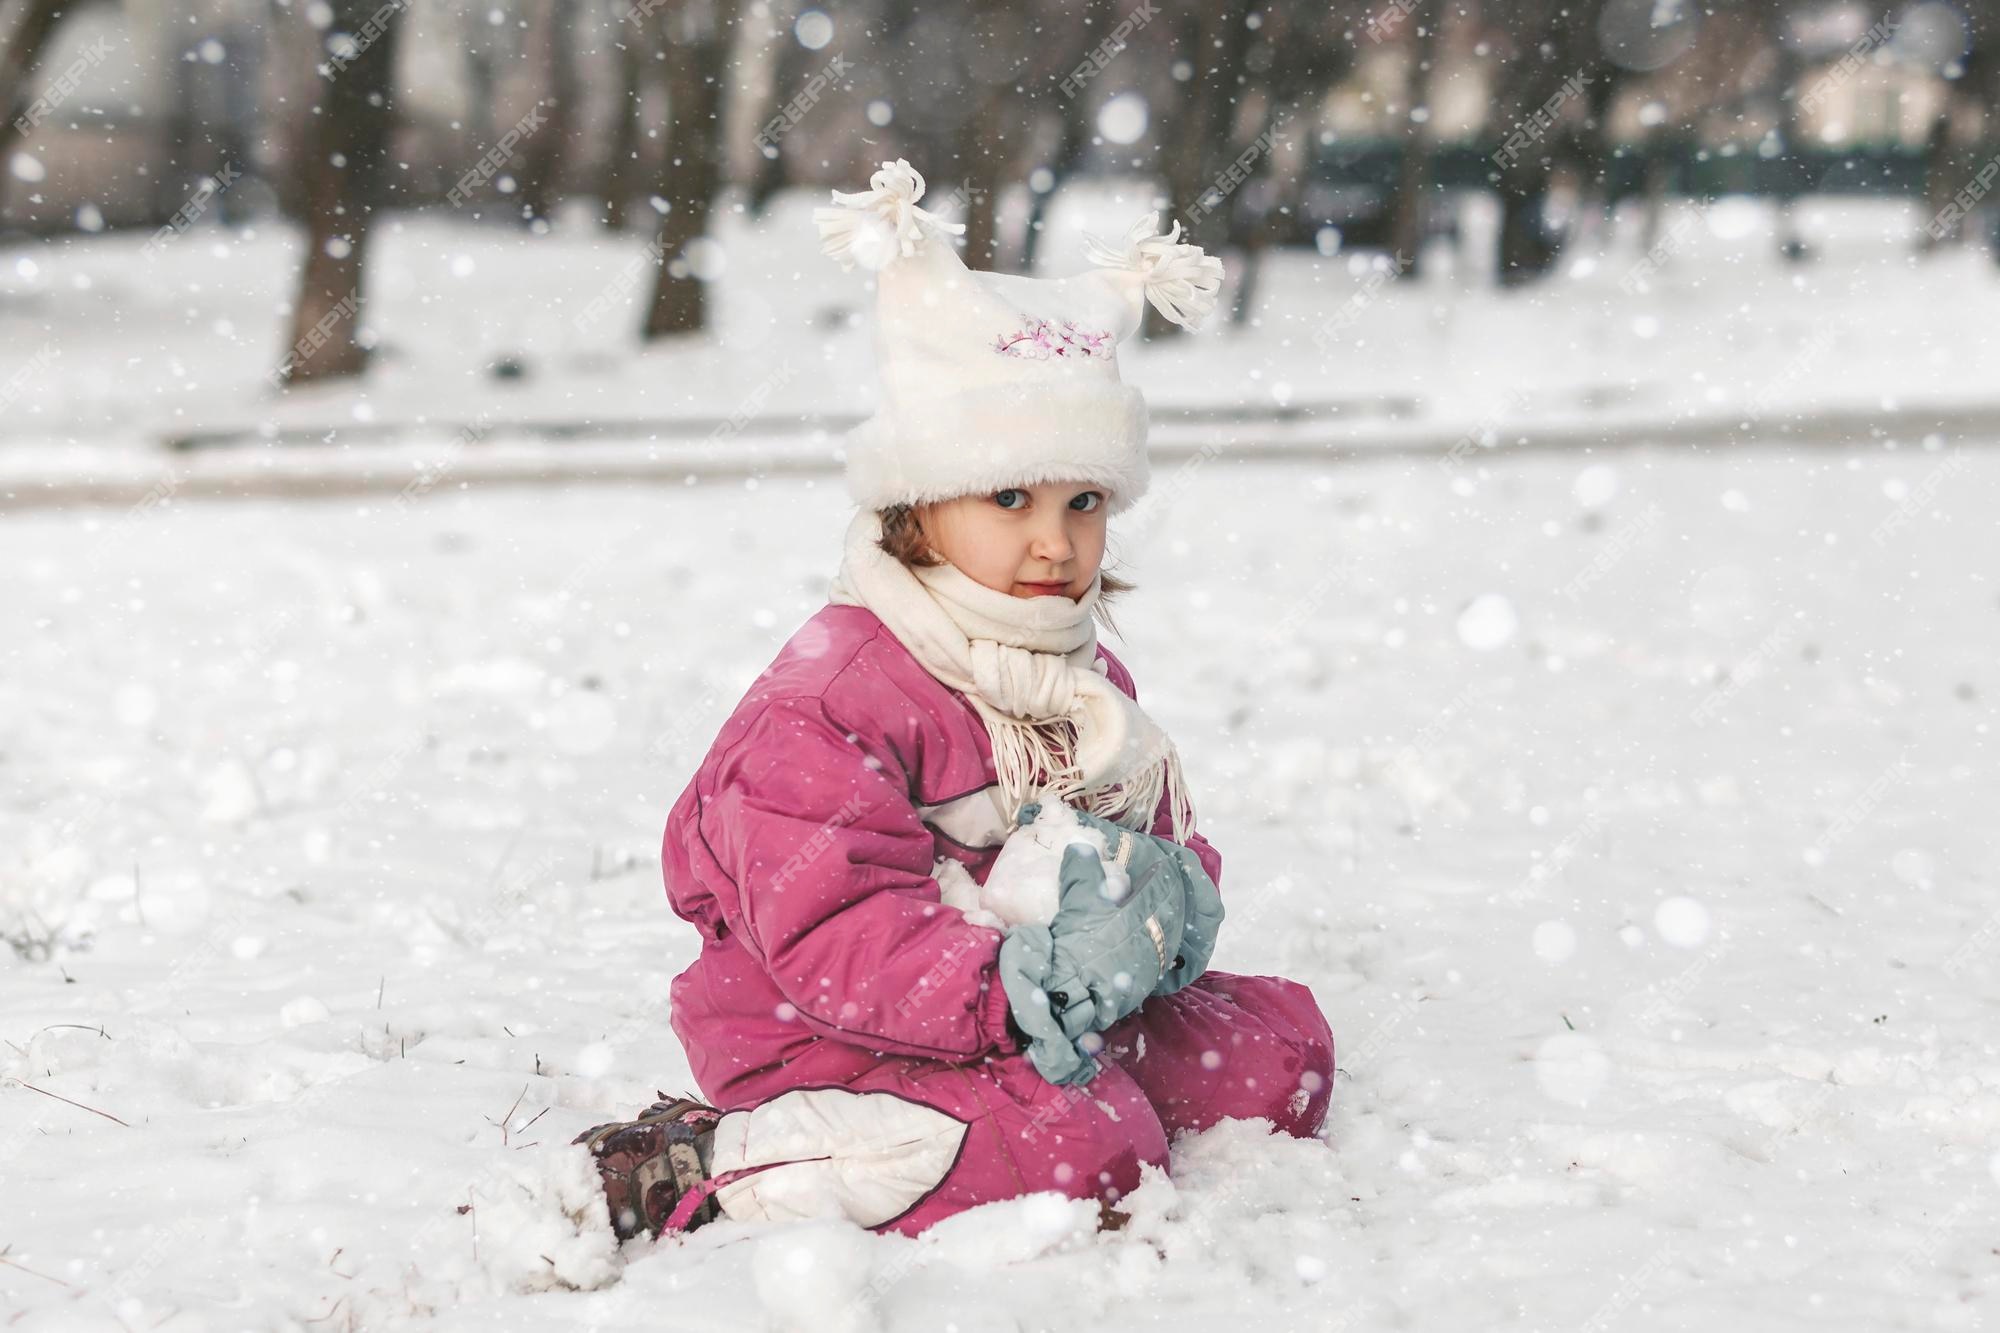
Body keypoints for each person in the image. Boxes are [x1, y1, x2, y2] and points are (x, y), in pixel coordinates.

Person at [571, 160, 1336, 1241]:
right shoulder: (835, 696)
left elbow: (1147, 834)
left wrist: (1158, 908)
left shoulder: (1074, 678)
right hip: (833, 1031)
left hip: (1033, 1005)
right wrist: (1018, 977)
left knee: (1274, 1059)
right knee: (1080, 1148)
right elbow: (834, 927)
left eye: (1083, 502)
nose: (1052, 541)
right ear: (916, 502)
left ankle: (1044, 1082)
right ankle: (712, 1159)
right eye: (1010, 495)